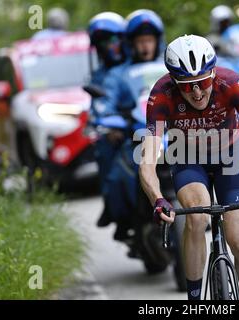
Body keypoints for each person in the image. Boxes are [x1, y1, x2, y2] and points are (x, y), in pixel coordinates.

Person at [139, 35, 239, 300]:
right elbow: (146, 161)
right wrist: (157, 199)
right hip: (187, 156)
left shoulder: (233, 84)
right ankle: (194, 301)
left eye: (203, 82)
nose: (197, 92)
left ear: (213, 74)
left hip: (229, 157)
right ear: (173, 82)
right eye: (187, 86)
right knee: (196, 216)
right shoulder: (160, 94)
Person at [92, 9, 167, 242]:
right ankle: (121, 217)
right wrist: (111, 122)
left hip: (171, 134)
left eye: (150, 40)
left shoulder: (169, 66)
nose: (145, 46)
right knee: (116, 174)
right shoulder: (118, 74)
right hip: (135, 136)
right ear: (131, 44)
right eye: (140, 41)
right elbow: (104, 105)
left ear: (158, 41)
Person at [86, 12, 128, 229]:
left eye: (112, 39)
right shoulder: (99, 76)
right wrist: (108, 125)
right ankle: (114, 207)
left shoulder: (137, 62)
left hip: (147, 124)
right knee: (103, 150)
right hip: (120, 131)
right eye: (102, 42)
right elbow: (96, 107)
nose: (108, 46)